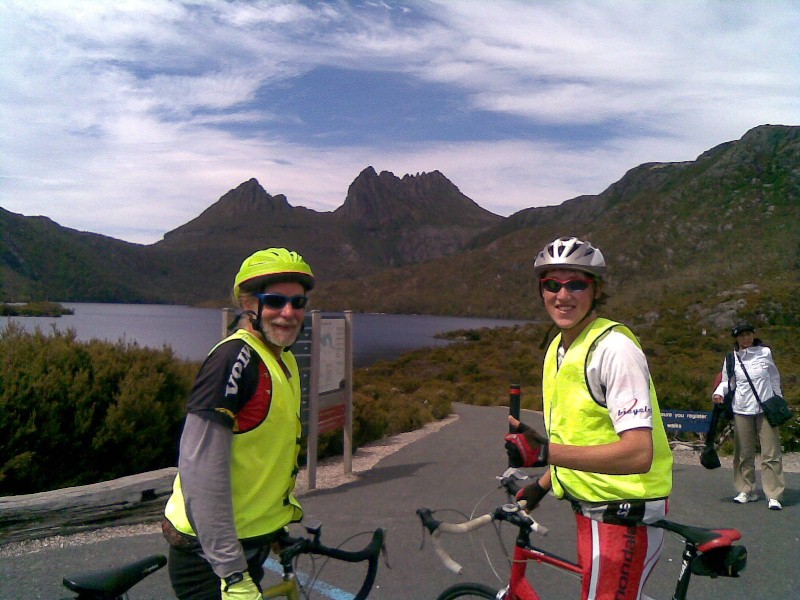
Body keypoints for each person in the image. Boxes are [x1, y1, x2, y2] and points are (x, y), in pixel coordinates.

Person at [504, 236, 673, 600]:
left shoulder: (615, 350)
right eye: (552, 285)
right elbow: (583, 433)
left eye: (576, 283)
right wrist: (543, 485)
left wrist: (546, 453)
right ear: (541, 290)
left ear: (596, 289)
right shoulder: (558, 347)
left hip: (624, 516)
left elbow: (638, 453)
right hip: (590, 509)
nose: (562, 296)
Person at [162, 248, 314, 600]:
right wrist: (231, 574)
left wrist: (275, 530)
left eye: (298, 302)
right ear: (249, 304)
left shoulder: (283, 360)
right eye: (275, 301)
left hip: (246, 544)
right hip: (208, 557)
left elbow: (258, 459)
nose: (288, 313)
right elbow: (200, 472)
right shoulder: (234, 360)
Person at [712, 321, 784, 510]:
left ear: (753, 335)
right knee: (744, 452)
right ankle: (747, 489)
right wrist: (719, 392)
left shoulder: (764, 353)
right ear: (736, 338)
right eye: (741, 335)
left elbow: (774, 376)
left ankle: (773, 494)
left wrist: (777, 398)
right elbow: (728, 382)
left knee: (770, 453)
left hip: (765, 408)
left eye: (748, 334)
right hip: (742, 409)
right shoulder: (731, 358)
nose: (746, 338)